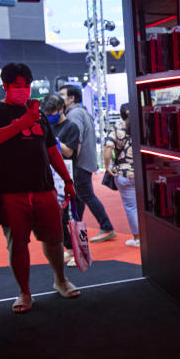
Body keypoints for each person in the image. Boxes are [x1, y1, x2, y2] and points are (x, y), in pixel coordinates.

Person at [0, 63, 80, 313]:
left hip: (43, 188)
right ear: (6, 86)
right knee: (17, 243)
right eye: (17, 86)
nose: (23, 90)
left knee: (54, 239)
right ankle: (24, 291)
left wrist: (67, 180)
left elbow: (52, 150)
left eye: (26, 85)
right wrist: (20, 123)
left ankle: (60, 279)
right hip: (10, 191)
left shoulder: (40, 115)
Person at [59, 84, 116, 242]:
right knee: (80, 198)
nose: (60, 98)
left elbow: (75, 140)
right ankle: (76, 228)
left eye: (62, 95)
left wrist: (71, 160)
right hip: (85, 161)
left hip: (80, 163)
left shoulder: (74, 114)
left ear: (72, 98)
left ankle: (106, 226)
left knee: (86, 196)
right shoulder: (81, 111)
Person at [42, 94, 79, 267]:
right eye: (47, 113)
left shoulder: (71, 127)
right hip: (51, 177)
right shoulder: (47, 126)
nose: (50, 116)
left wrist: (55, 142)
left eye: (52, 112)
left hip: (69, 175)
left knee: (69, 216)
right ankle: (69, 249)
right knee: (58, 218)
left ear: (61, 109)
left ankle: (76, 250)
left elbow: (70, 152)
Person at [103, 103, 140, 247]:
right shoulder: (141, 126)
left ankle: (137, 238)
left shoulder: (117, 128)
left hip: (124, 174)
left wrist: (107, 166)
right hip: (142, 172)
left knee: (131, 207)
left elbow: (108, 147)